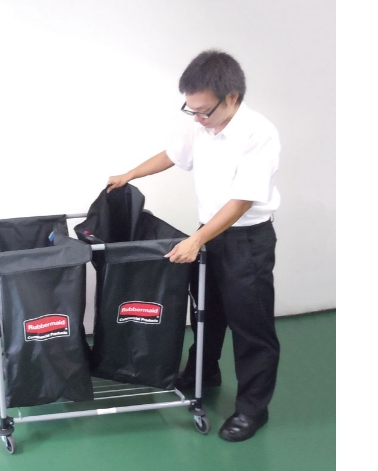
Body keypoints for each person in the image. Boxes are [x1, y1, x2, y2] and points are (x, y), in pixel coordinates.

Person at [107, 49, 281, 442]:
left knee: (250, 326)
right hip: (209, 233)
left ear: (232, 97)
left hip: (246, 240)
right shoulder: (203, 126)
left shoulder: (259, 134)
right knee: (206, 312)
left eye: (204, 111)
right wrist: (130, 174)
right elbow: (172, 155)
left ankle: (253, 408)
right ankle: (204, 372)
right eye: (192, 110)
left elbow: (242, 201)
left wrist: (197, 239)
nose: (197, 118)